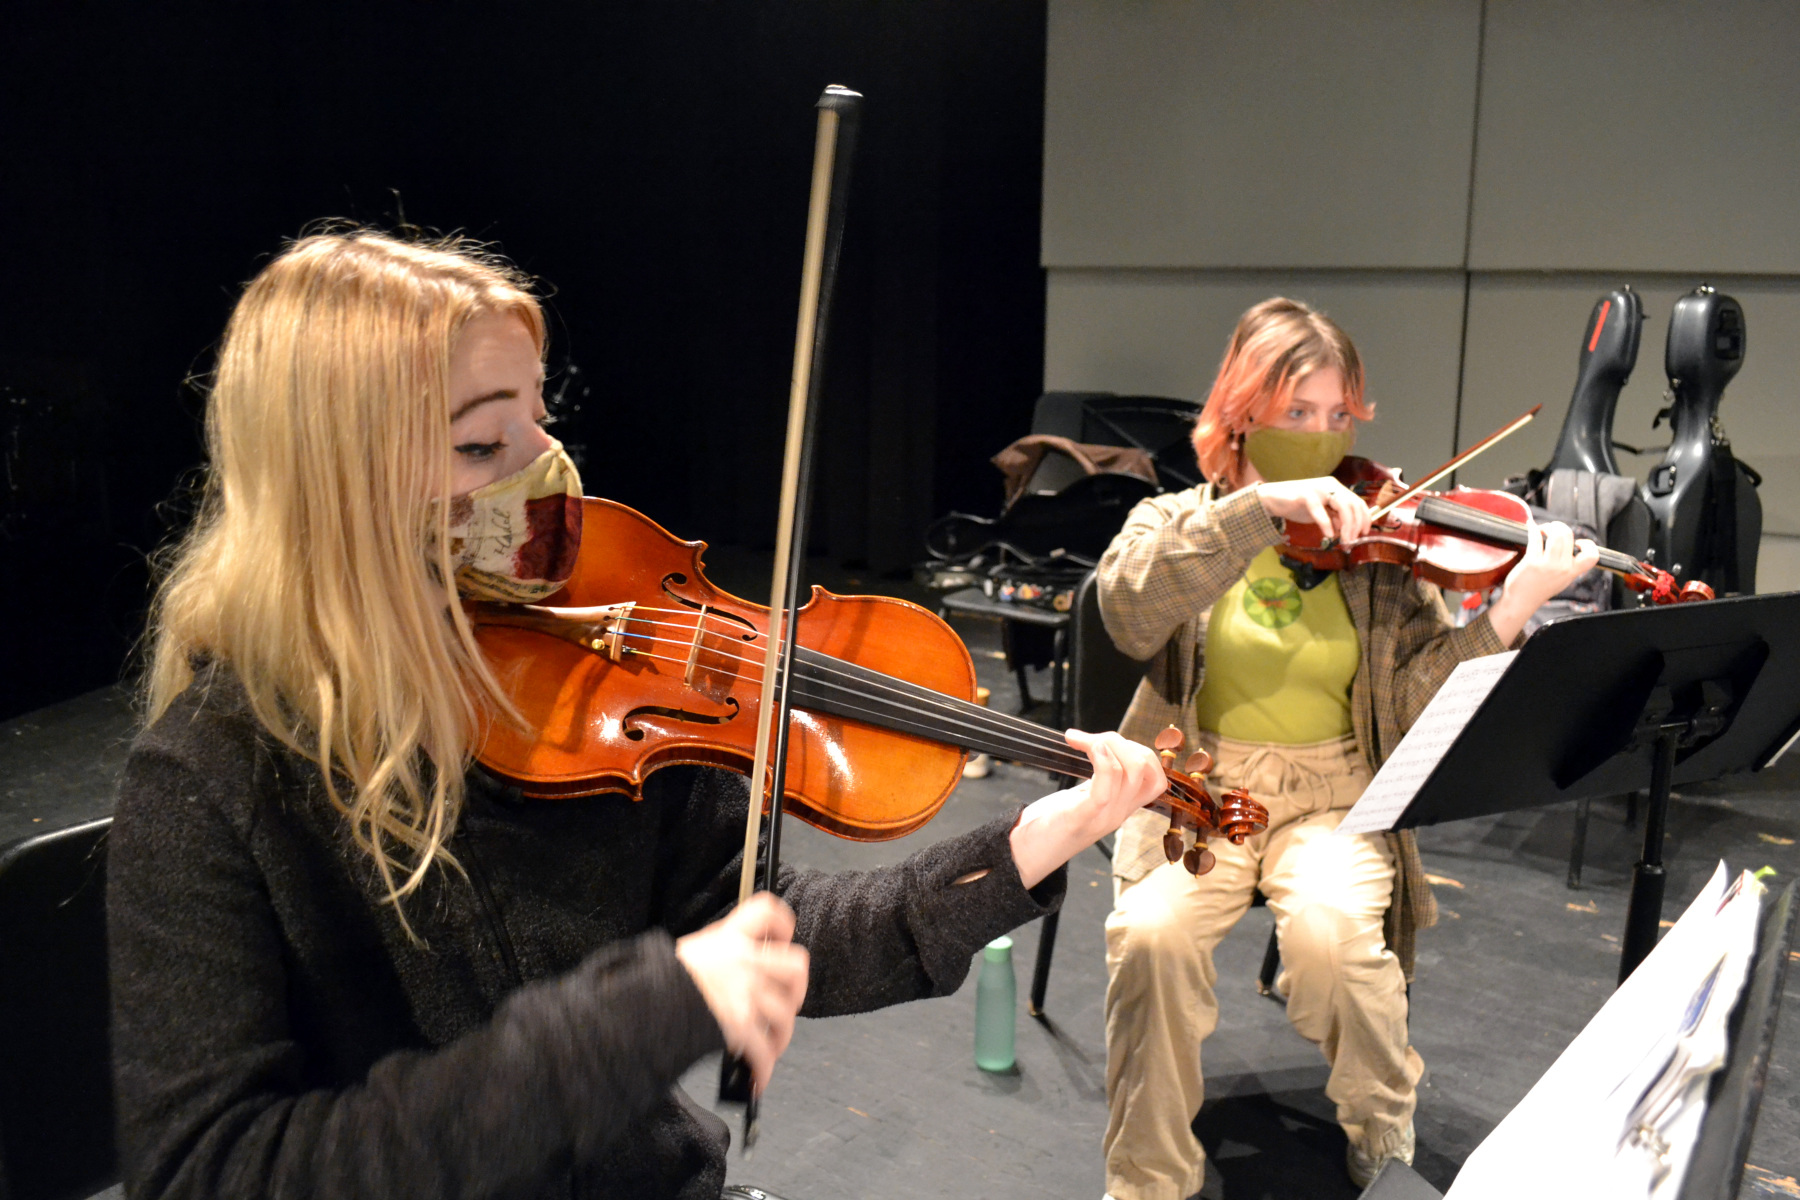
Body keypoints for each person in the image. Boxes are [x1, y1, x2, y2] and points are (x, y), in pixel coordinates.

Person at [108, 229, 1171, 1200]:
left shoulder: (581, 682)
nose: (550, 472)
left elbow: (755, 926)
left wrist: (1019, 852)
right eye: (483, 446)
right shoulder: (210, 781)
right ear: (335, 490)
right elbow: (212, 1171)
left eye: (540, 417)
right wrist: (624, 1026)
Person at [1097, 297, 1599, 1198]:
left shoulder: (1381, 540)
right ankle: (1147, 1176)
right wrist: (1257, 511)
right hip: (1198, 788)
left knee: (1334, 940)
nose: (1323, 440)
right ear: (1242, 411)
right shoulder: (1174, 520)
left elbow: (1410, 708)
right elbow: (1128, 609)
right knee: (1152, 935)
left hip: (1336, 793)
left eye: (1337, 417)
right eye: (1298, 414)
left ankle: (1381, 1126)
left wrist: (1515, 609)